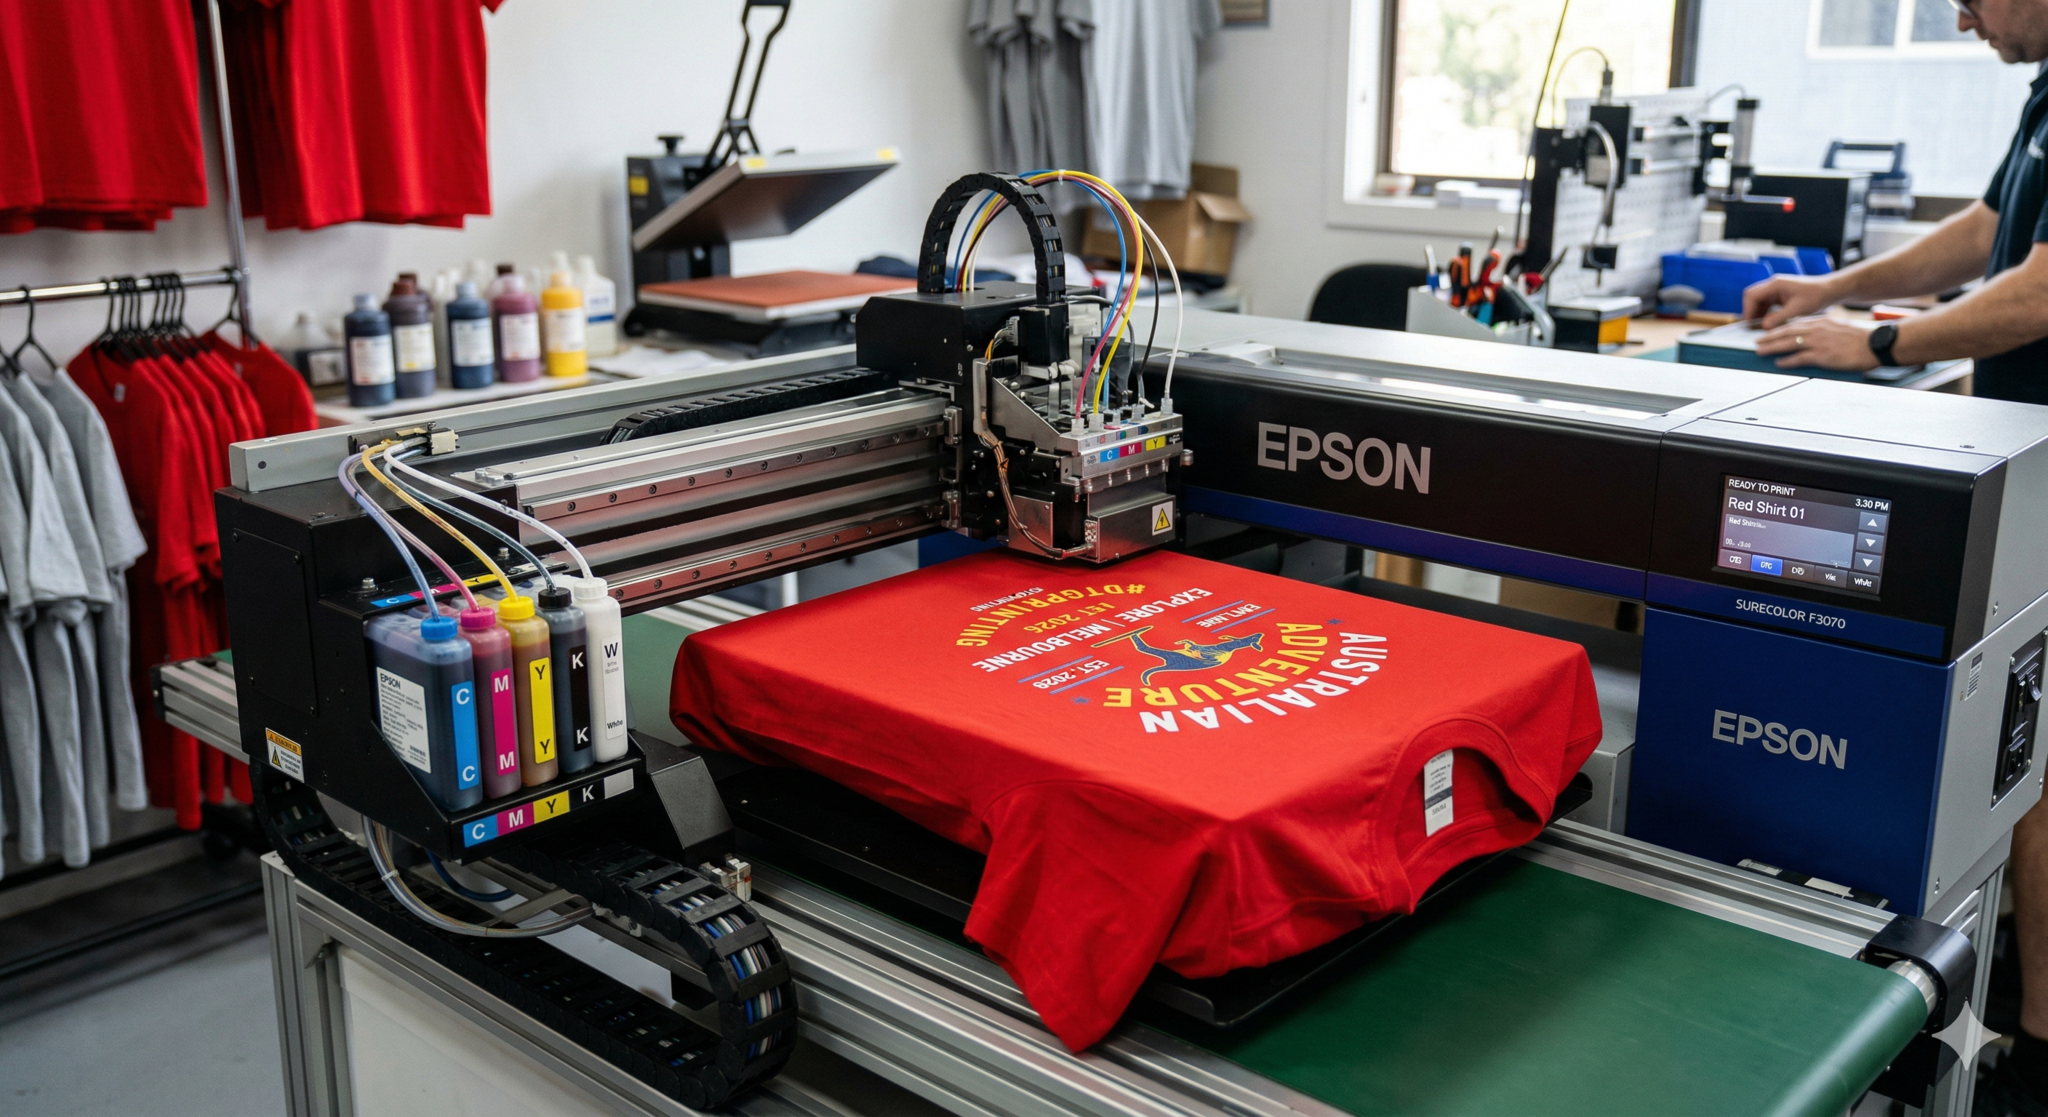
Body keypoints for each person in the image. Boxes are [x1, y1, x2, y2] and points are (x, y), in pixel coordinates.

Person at [1743, 0, 2048, 408]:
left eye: (1970, 3)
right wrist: (1831, 289)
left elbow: (2039, 295)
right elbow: (1983, 232)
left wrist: (1878, 342)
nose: (1961, 23)